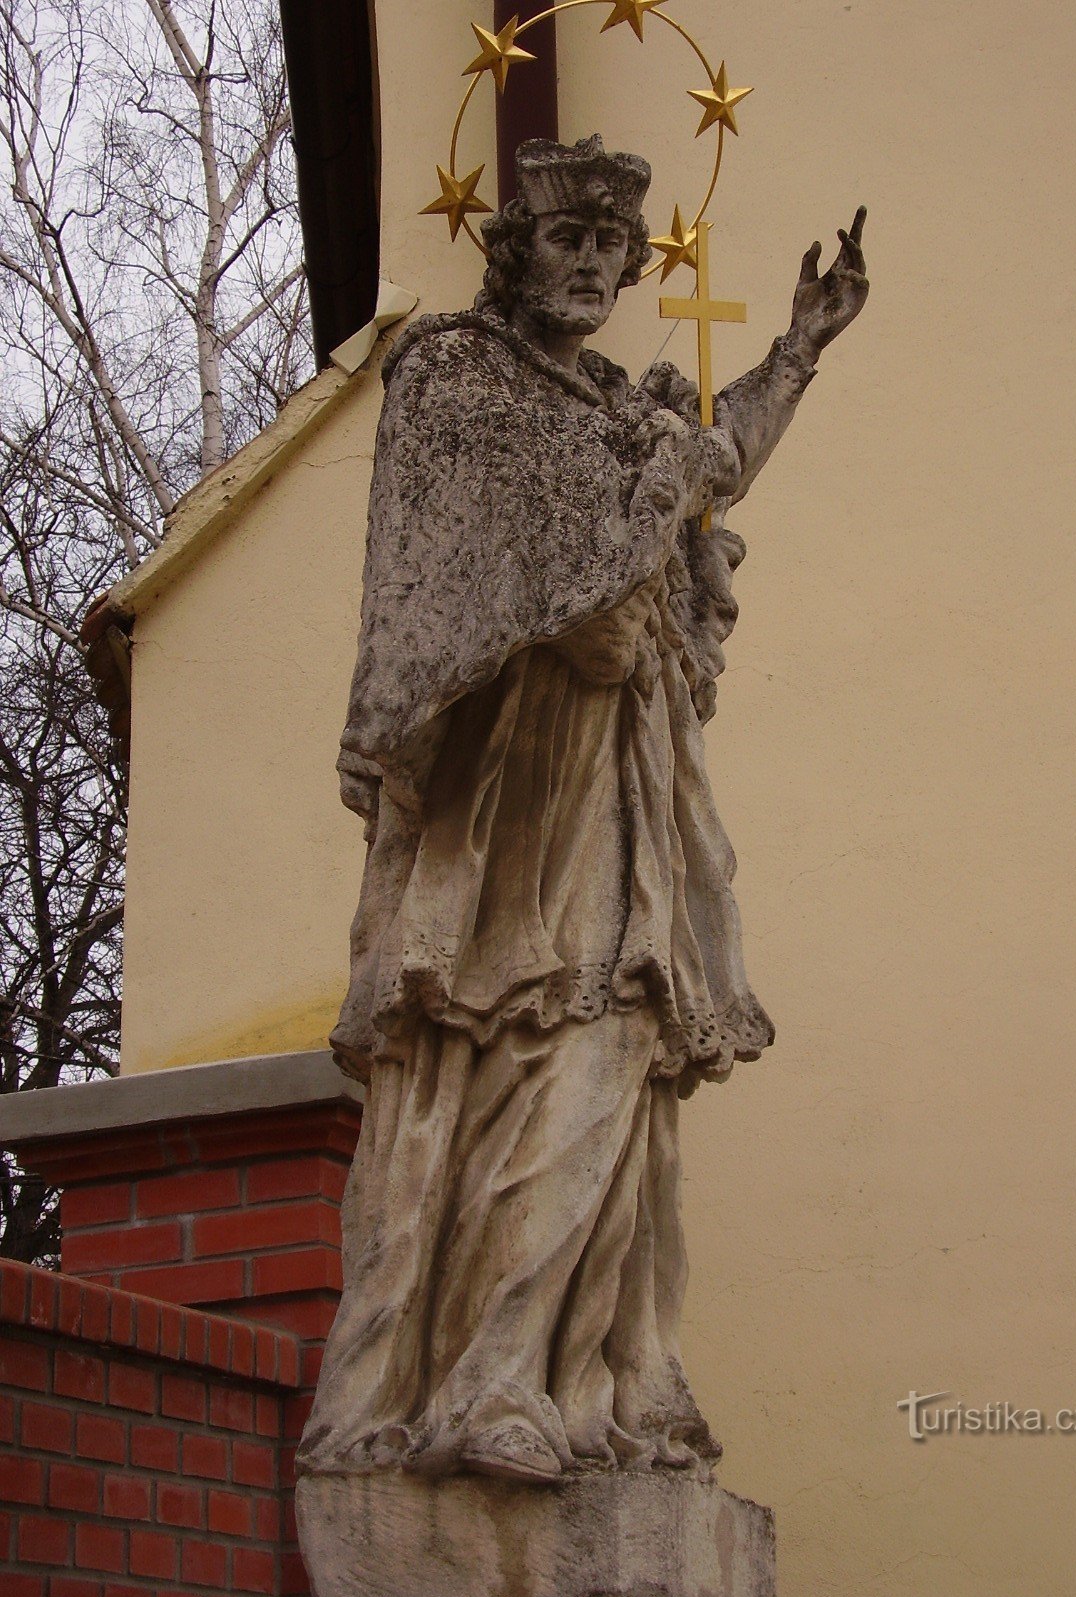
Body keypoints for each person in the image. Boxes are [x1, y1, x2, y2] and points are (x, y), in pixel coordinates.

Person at [298, 136, 868, 1486]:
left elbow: (699, 471)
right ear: (518, 246)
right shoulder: (454, 374)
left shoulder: (623, 405)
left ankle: (576, 1377)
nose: (597, 268)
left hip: (624, 773)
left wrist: (798, 348)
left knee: (619, 1058)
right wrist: (657, 490)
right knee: (506, 1051)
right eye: (571, 242)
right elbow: (513, 567)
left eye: (616, 250)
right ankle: (478, 1383)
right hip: (510, 791)